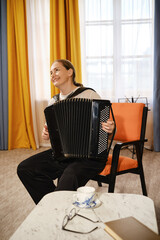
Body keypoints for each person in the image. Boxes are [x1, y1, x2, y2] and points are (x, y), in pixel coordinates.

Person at [17, 59, 115, 204]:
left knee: (68, 177)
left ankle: (56, 207)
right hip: (62, 154)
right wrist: (47, 134)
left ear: (70, 72)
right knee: (25, 168)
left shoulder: (89, 95)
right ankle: (51, 205)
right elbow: (51, 132)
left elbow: (106, 129)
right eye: (50, 72)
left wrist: (110, 128)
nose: (53, 75)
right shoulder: (53, 102)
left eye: (56, 70)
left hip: (90, 157)